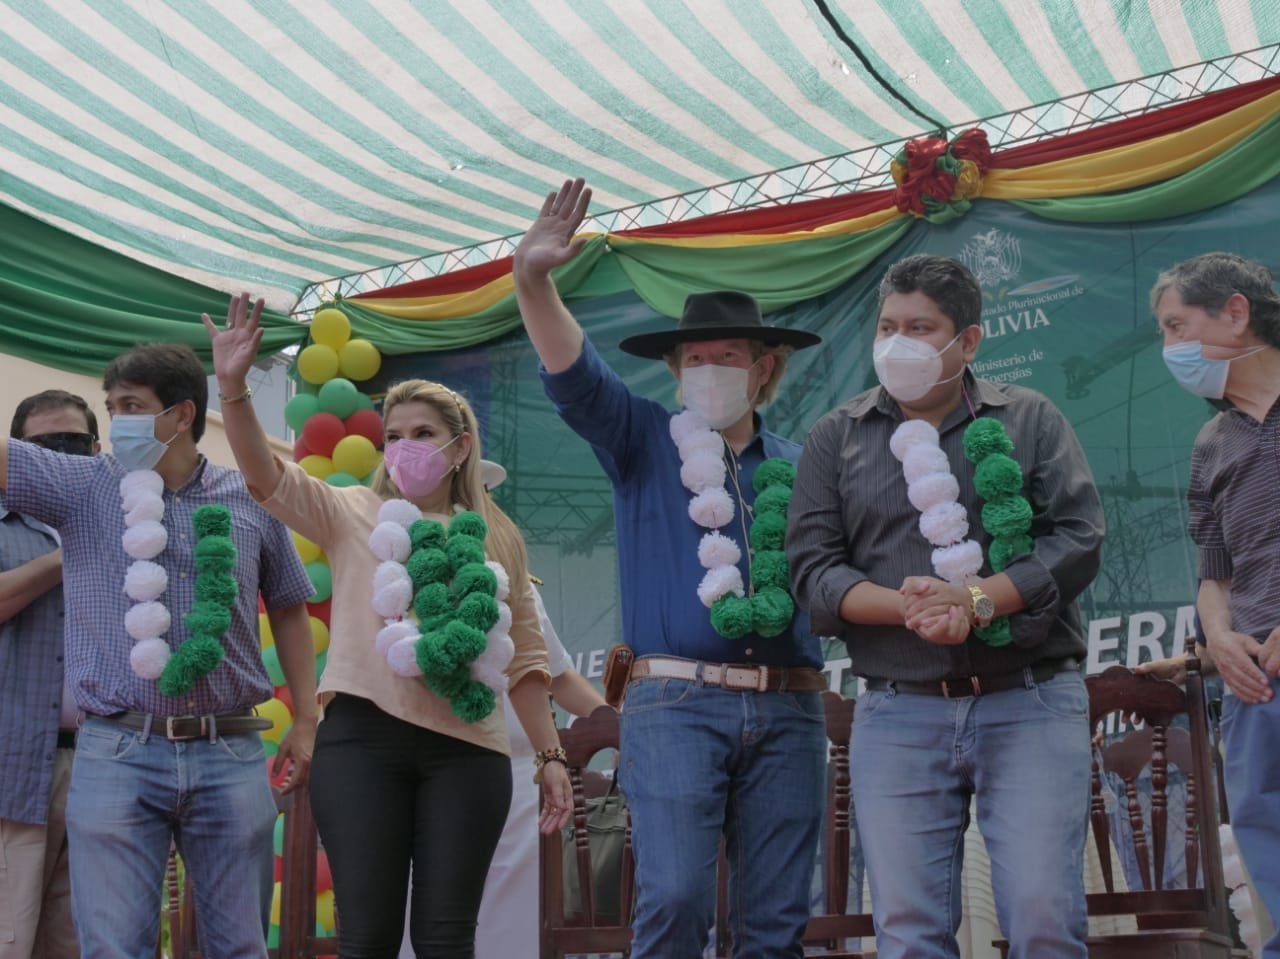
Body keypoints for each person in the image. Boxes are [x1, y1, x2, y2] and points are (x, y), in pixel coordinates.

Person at [513, 178, 828, 958]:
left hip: (790, 704)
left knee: (776, 921)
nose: (710, 368)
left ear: (764, 368)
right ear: (677, 371)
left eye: (729, 357)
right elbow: (574, 371)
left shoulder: (807, 462)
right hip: (676, 702)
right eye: (695, 358)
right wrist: (533, 279)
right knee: (677, 898)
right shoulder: (642, 438)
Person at [205, 295, 572, 959]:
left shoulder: (498, 536)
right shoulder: (351, 509)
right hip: (362, 743)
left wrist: (550, 757)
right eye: (393, 436)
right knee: (367, 938)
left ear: (460, 447)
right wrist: (232, 388)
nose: (405, 447)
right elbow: (264, 475)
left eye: (423, 434)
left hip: (470, 751)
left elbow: (526, 660)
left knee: (446, 940)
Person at [788, 254, 1105, 959]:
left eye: (921, 328)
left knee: (1043, 918)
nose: (898, 342)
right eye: (888, 326)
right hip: (897, 710)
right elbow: (813, 569)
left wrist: (976, 598)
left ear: (968, 340)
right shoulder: (836, 435)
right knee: (908, 932)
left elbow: (1079, 538)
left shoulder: (1029, 417)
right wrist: (913, 609)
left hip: (1029, 699)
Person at [0, 343, 317, 959]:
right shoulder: (85, 484)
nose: (118, 420)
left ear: (181, 414)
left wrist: (306, 717)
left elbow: (287, 606)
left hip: (228, 746)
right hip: (116, 747)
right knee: (114, 949)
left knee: (239, 946)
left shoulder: (248, 495)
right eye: (112, 407)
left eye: (132, 406)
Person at [396, 460, 607, 959]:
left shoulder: (511, 583)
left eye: (480, 499)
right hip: (428, 771)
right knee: (428, 917)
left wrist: (616, 724)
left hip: (515, 780)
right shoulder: (399, 579)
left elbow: (555, 675)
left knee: (515, 925)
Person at [1147, 251, 1280, 957]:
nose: (1170, 348)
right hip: (1258, 685)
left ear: (1235, 311)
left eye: (1177, 326)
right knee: (1268, 841)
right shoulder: (1211, 444)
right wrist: (1220, 638)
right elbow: (1214, 575)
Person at [0, 390, 100, 959]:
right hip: (13, 765)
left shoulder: (130, 523)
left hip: (109, 765)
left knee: (81, 941)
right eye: (43, 447)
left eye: (73, 444)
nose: (60, 458)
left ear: (97, 448)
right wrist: (70, 552)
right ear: (16, 455)